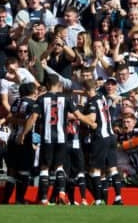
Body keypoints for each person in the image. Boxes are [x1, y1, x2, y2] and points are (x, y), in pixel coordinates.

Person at [17, 74, 95, 205]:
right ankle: (62, 193)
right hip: (62, 138)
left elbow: (33, 118)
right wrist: (91, 123)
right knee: (59, 167)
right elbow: (79, 116)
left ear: (47, 85)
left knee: (45, 167)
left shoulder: (42, 99)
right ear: (58, 84)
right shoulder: (67, 99)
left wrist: (23, 133)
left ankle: (43, 198)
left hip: (47, 138)